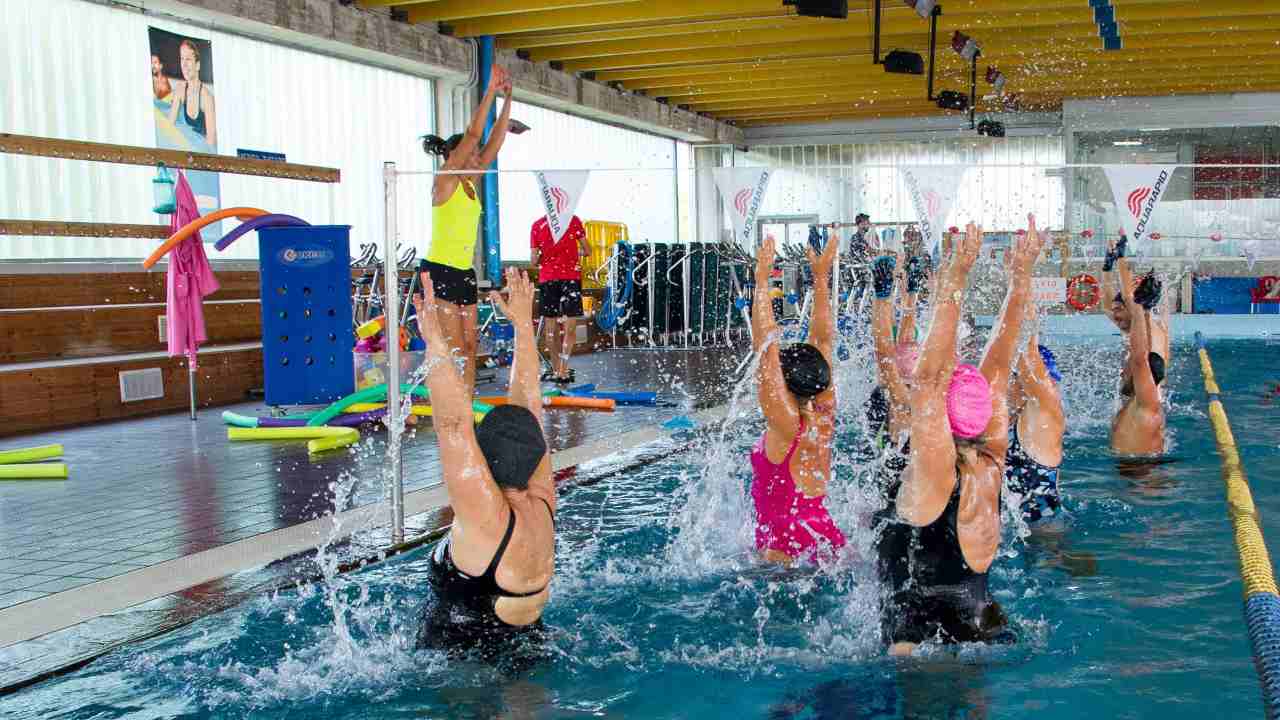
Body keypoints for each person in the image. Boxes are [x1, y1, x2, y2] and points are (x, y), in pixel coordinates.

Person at [874, 216, 1044, 654]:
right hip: (981, 614)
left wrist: (954, 278)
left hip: (915, 629)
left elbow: (929, 379)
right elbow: (1000, 362)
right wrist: (1020, 280)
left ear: (939, 422)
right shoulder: (993, 459)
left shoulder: (934, 468)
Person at [413, 267, 556, 667]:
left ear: (485, 464)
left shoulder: (485, 514)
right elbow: (528, 412)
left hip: (462, 648)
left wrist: (435, 343)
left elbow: (452, 424)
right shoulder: (542, 497)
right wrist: (524, 328)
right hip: (526, 637)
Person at [750, 232, 846, 566]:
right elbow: (822, 338)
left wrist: (762, 281)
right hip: (824, 537)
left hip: (783, 549)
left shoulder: (787, 424)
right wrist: (820, 277)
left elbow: (765, 349)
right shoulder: (825, 406)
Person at [420, 65, 515, 396]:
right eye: (470, 155)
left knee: (471, 345)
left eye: (477, 156)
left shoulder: (471, 185)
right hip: (439, 271)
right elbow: (475, 135)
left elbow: (495, 141)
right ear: (453, 156)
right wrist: (490, 90)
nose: (477, 158)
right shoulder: (445, 182)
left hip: (464, 272)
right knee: (454, 345)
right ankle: (451, 404)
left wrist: (509, 99)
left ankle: (468, 404)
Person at [1005, 301, 1065, 524]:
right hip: (1023, 527)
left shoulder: (1044, 417)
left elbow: (1026, 351)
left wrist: (1021, 283)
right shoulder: (1012, 417)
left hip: (1045, 530)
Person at [1110, 257, 1168, 455]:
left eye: (1131, 369)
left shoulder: (1146, 404)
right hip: (1134, 472)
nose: (1124, 371)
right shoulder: (1137, 403)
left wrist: (1121, 261)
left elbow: (1140, 357)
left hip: (1143, 477)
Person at [530, 213, 588, 384]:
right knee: (570, 327)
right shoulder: (574, 220)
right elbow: (588, 250)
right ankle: (563, 368)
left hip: (548, 279)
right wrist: (572, 254)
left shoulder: (537, 224)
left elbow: (534, 260)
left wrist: (548, 255)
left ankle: (556, 370)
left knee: (550, 328)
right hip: (570, 277)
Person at [167, 39, 217, 147]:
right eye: (182, 59)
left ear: (197, 65)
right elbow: (169, 127)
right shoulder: (180, 90)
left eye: (188, 59)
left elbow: (211, 143)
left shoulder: (206, 98)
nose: (184, 65)